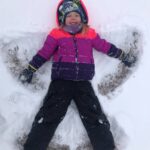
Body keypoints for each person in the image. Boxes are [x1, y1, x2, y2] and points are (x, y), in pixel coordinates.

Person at [19, 0, 136, 150]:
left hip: (83, 83)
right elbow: (44, 53)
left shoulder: (89, 34)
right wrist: (30, 68)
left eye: (76, 14)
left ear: (82, 17)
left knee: (94, 117)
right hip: (61, 83)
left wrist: (122, 56)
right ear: (62, 18)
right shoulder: (56, 34)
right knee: (49, 115)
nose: (73, 18)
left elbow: (104, 46)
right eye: (69, 15)